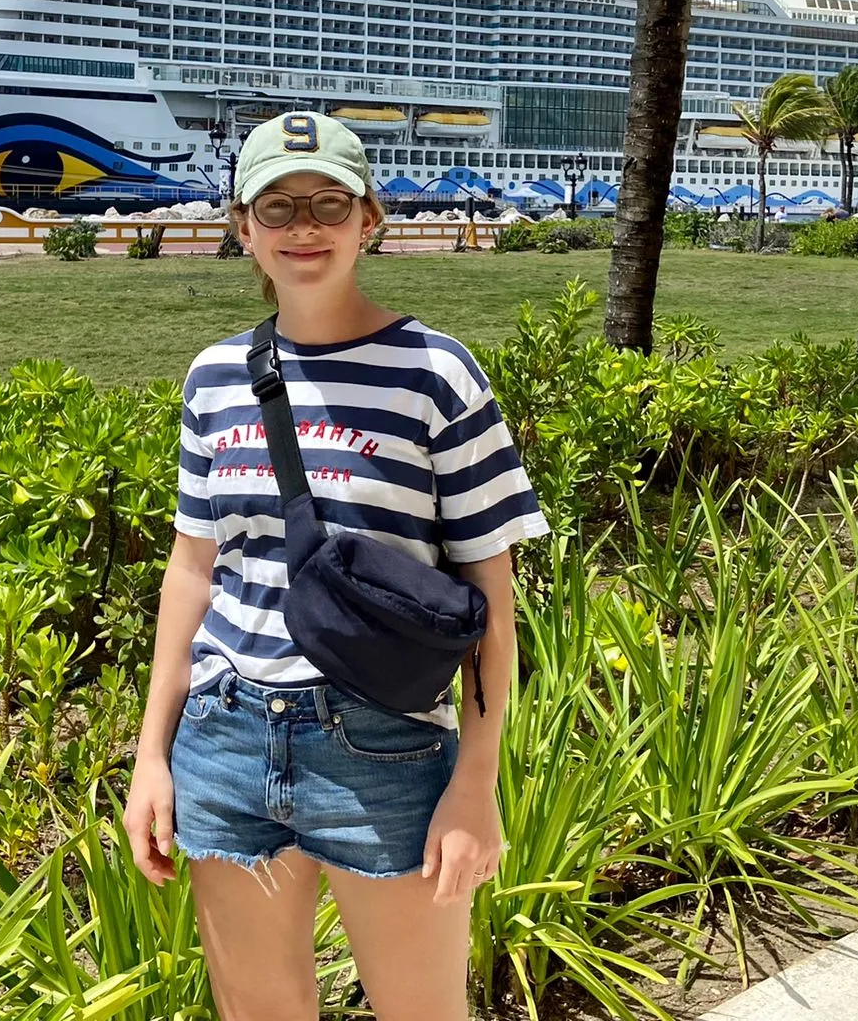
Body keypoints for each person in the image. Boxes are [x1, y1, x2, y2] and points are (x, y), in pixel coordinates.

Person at [125, 111, 548, 1020]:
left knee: (421, 1010)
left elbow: (491, 602)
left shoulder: (436, 373)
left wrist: (476, 784)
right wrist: (151, 755)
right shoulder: (216, 376)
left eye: (328, 203)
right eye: (277, 207)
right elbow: (192, 572)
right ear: (243, 228)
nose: (303, 227)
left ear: (370, 221)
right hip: (226, 735)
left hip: (385, 740)